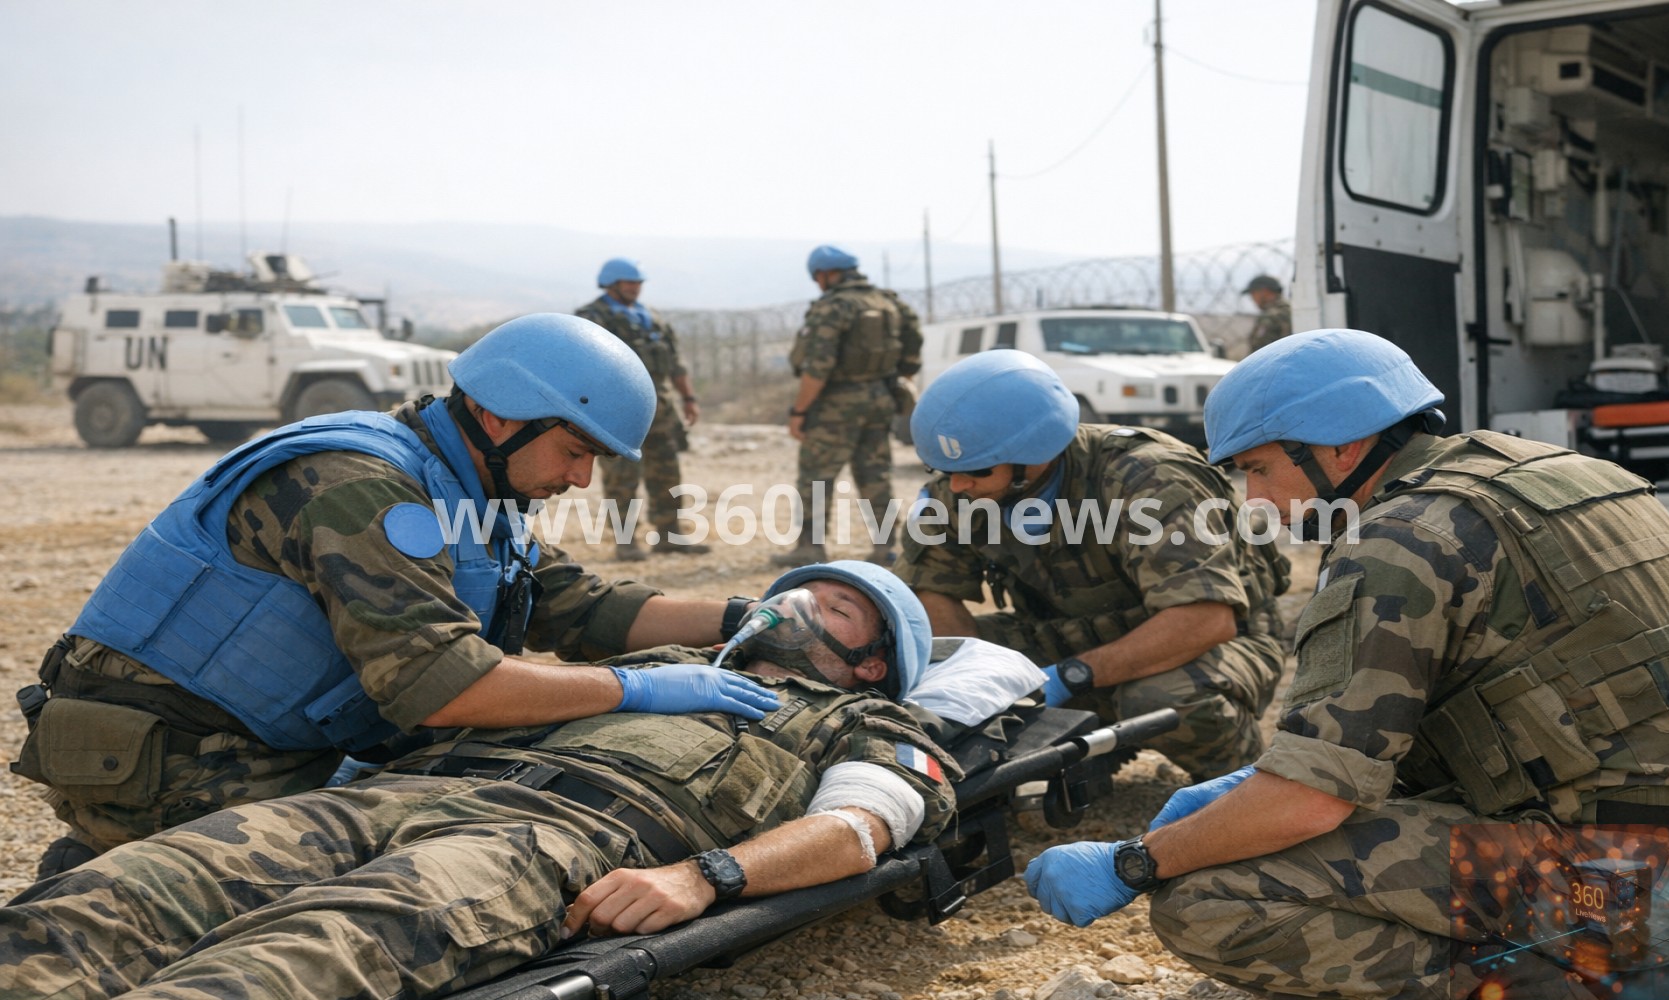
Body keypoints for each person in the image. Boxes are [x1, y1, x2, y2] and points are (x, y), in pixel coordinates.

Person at [1024, 329, 1669, 1000]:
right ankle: (1656, 975)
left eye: (1259, 468)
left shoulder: (1397, 543)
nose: (1256, 501)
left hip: (1629, 886)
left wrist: (1134, 863)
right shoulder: (1570, 478)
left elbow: (1311, 802)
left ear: (1343, 446)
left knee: (1208, 897)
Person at [0, 561, 958, 1000]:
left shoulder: (865, 725)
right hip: (398, 792)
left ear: (874, 664)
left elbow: (855, 831)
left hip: (544, 843)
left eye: (836, 609)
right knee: (122, 891)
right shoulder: (667, 662)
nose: (795, 607)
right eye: (798, 588)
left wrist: (706, 876)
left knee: (290, 963)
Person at [11, 313, 774, 879]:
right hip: (174, 761)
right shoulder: (358, 486)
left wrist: (752, 619)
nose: (580, 479)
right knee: (411, 881)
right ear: (502, 415)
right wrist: (637, 690)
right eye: (575, 451)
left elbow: (578, 605)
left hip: (262, 743)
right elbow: (443, 688)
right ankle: (105, 877)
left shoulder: (466, 487)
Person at [894, 349, 1288, 780]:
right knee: (915, 661)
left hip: (1211, 641)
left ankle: (1235, 778)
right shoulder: (960, 486)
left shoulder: (1147, 476)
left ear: (1033, 453)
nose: (957, 485)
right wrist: (977, 687)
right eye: (943, 469)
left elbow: (1205, 620)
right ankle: (1070, 755)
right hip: (1071, 634)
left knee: (1162, 696)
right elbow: (931, 598)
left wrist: (1069, 678)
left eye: (976, 471)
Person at [777, 244, 923, 568]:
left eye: (818, 277)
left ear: (827, 274)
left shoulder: (833, 307)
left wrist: (799, 411)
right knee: (875, 475)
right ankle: (886, 547)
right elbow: (913, 354)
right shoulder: (890, 302)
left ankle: (810, 548)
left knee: (816, 476)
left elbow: (818, 367)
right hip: (880, 399)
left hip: (835, 405)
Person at [574, 257, 708, 560]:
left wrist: (688, 398)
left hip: (661, 411)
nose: (635, 288)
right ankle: (626, 541)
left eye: (638, 283)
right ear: (611, 284)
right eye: (629, 283)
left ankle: (669, 535)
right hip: (617, 410)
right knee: (622, 477)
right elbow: (584, 365)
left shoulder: (652, 318)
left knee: (667, 473)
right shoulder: (593, 317)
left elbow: (676, 363)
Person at [1241, 273, 1291, 354]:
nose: (1252, 298)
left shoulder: (1271, 315)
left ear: (1264, 291)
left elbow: (1259, 350)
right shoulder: (1292, 310)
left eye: (1253, 293)